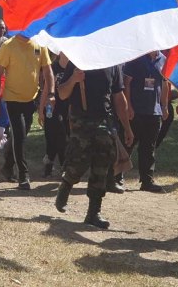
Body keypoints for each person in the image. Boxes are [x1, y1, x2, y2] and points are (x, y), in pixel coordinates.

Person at [54, 61, 134, 229]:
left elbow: (119, 97)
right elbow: (62, 93)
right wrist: (74, 79)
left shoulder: (113, 63)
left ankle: (93, 212)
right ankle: (67, 182)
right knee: (79, 161)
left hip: (104, 119)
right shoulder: (78, 59)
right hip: (80, 118)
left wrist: (127, 128)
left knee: (102, 165)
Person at [0, 34, 54, 190]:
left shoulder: (40, 45)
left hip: (31, 99)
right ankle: (23, 175)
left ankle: (7, 165)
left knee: (21, 135)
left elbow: (48, 72)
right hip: (12, 99)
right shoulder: (8, 46)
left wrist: (51, 94)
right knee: (19, 136)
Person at [123, 50, 169, 192]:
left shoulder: (163, 59)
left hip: (154, 111)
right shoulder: (136, 57)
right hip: (136, 110)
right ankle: (116, 176)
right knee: (128, 143)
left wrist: (164, 106)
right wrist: (128, 106)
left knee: (149, 147)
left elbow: (165, 83)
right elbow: (127, 83)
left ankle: (147, 181)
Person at [42, 52, 71, 178]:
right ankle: (49, 164)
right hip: (51, 108)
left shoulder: (74, 67)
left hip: (67, 108)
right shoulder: (53, 67)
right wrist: (41, 109)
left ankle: (63, 166)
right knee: (51, 137)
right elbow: (46, 89)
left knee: (64, 137)